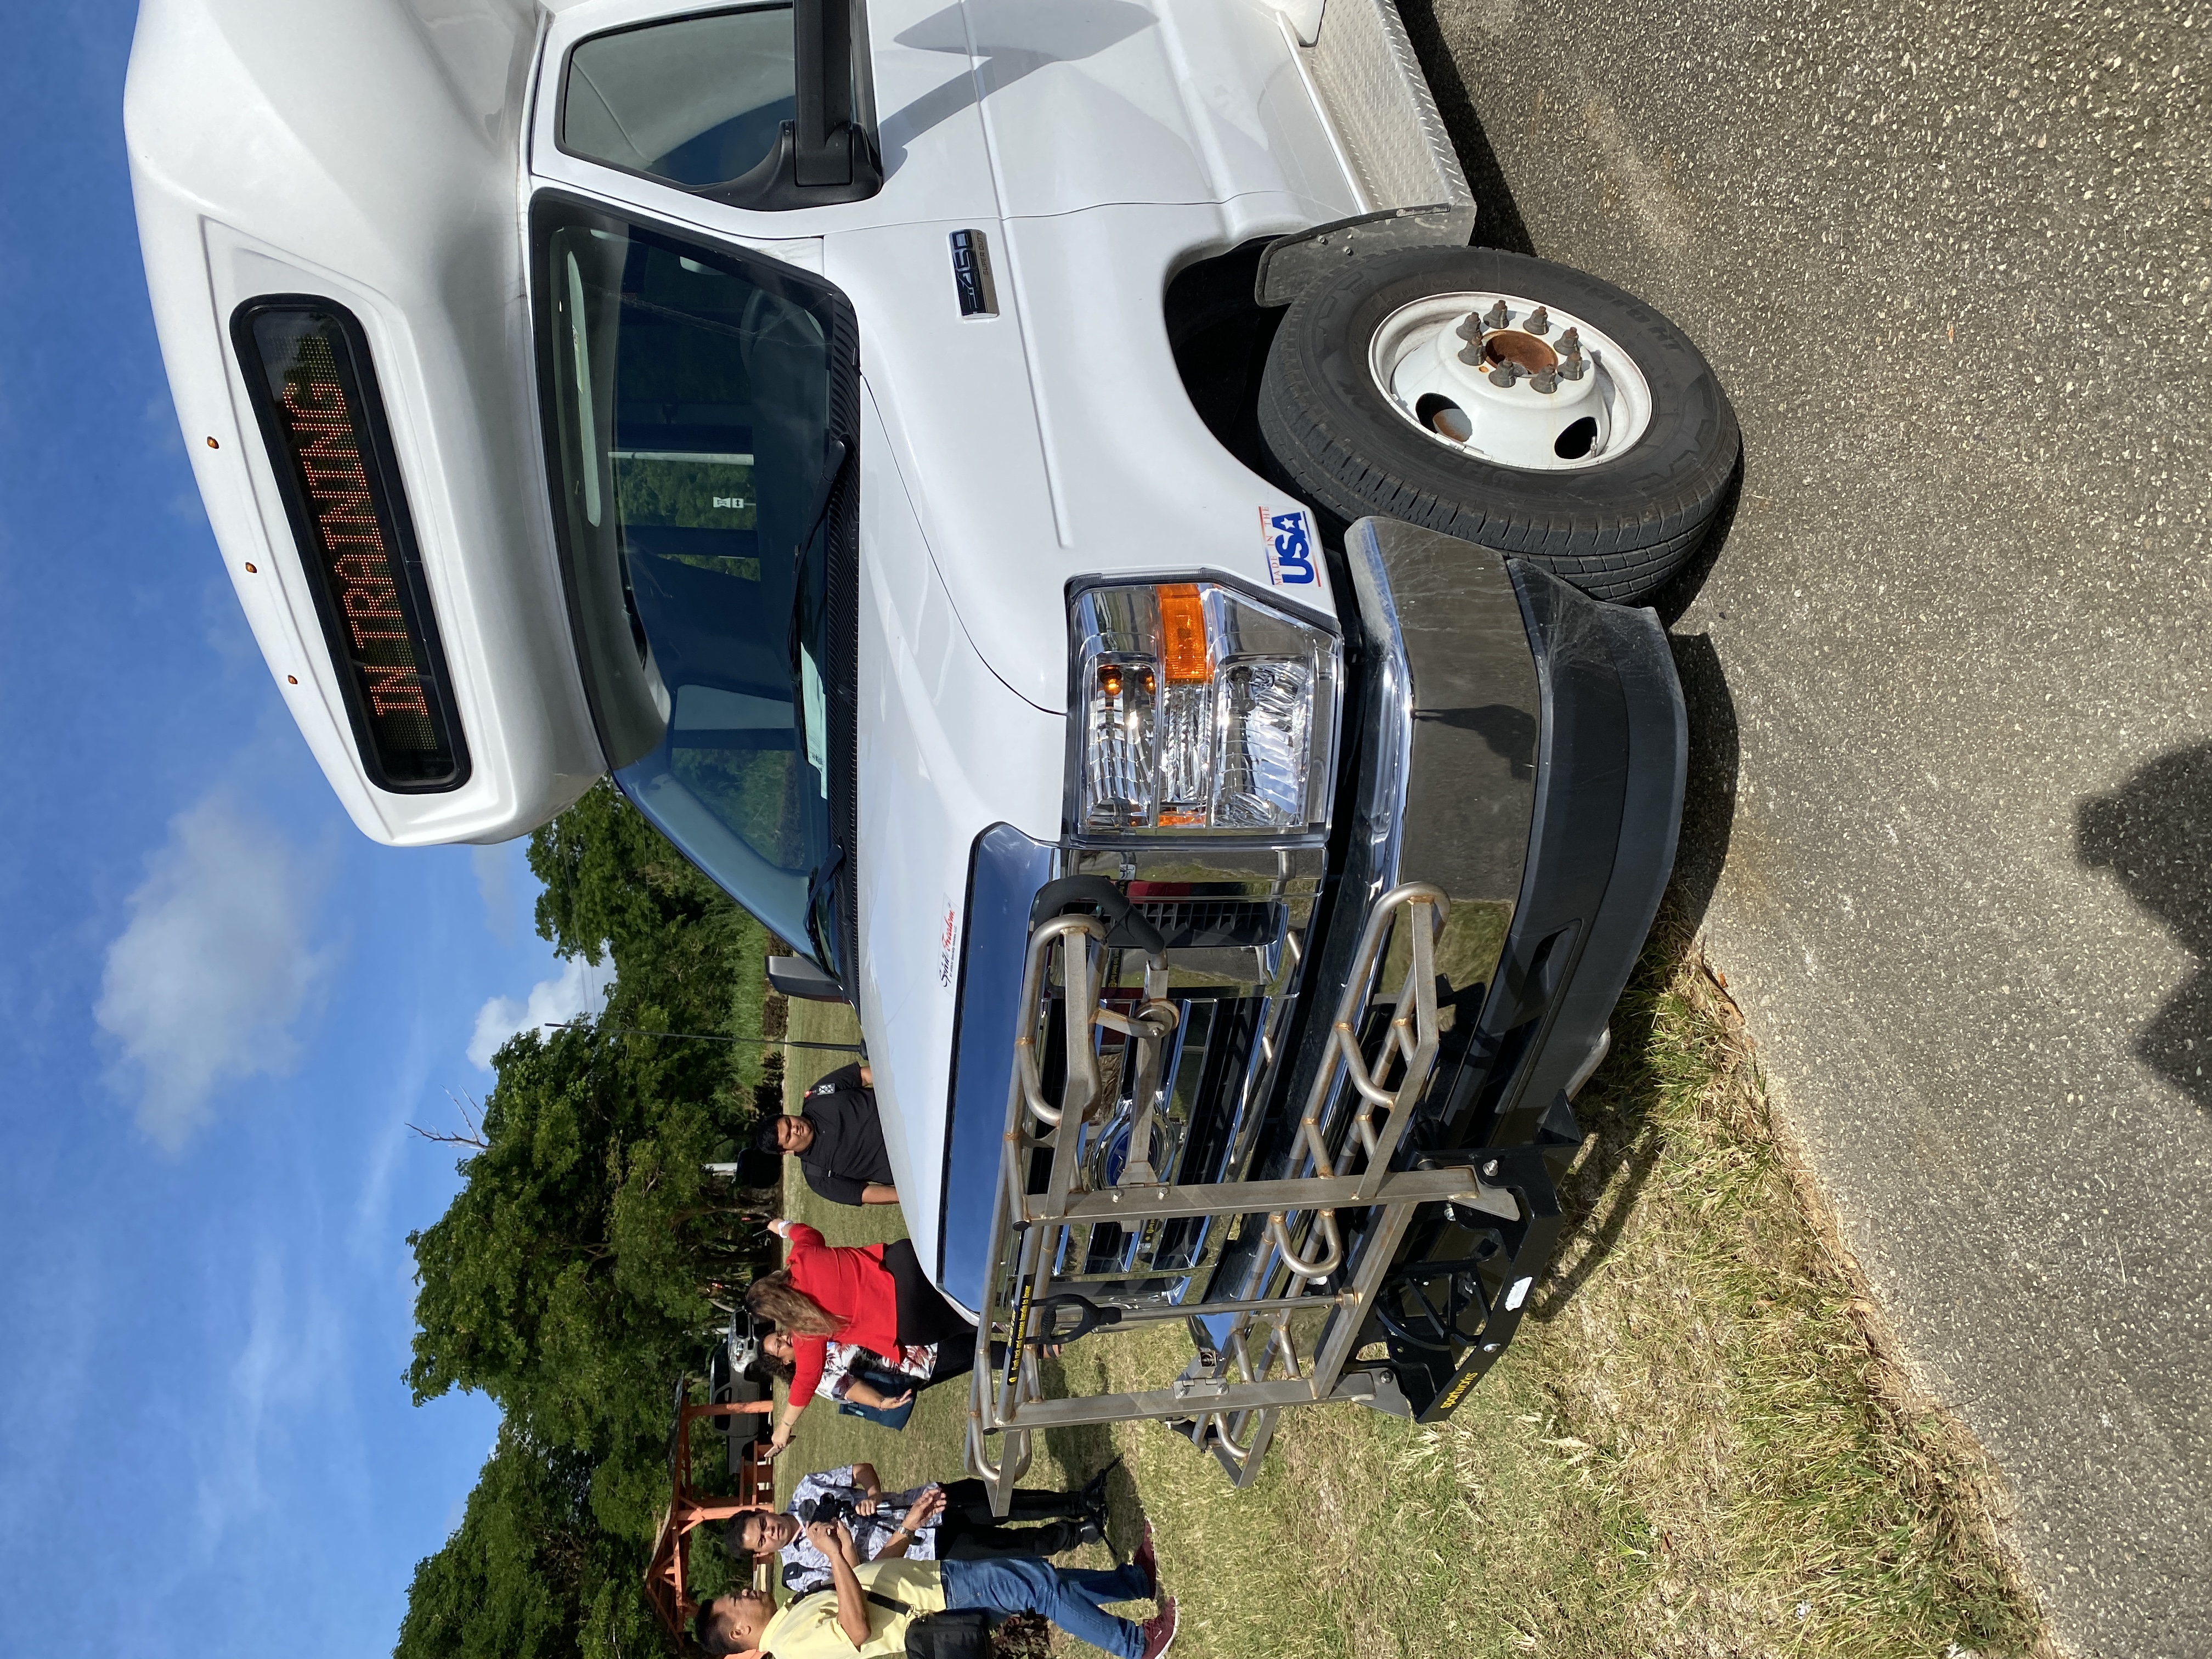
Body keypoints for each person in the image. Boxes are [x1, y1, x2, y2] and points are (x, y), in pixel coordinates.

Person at [695, 1517, 1176, 1659]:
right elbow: (856, 1630)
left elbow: (862, 1590)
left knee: (1036, 1577)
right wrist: (833, 1557)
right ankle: (1135, 1646)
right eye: (738, 1601)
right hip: (938, 1601)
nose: (747, 1594)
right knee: (1037, 1585)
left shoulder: (788, 1617)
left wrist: (847, 1550)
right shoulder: (790, 1645)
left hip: (934, 1584)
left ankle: (1133, 1581)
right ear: (738, 1632)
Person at [746, 1217, 976, 1458]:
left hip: (906, 1316)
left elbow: (806, 1379)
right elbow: (807, 1233)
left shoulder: (806, 1327)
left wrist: (784, 1426)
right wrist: (781, 1226)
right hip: (903, 1261)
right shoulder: (803, 1255)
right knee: (978, 1275)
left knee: (979, 1318)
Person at [726, 1459, 1113, 1595]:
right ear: (762, 1554)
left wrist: (873, 1494)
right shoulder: (798, 1573)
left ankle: (1079, 1501)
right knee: (1011, 1546)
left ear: (762, 1511)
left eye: (762, 1524)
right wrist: (840, 1545)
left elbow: (861, 1470)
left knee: (1006, 1503)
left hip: (924, 1503)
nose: (770, 1533)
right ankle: (1077, 1534)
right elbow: (856, 1583)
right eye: (761, 1541)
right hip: (923, 1551)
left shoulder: (806, 1491)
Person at [757, 1062, 897, 1207]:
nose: (795, 1129)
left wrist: (898, 1075)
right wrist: (905, 1196)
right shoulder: (818, 1177)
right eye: (789, 1137)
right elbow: (863, 1193)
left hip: (902, 1104)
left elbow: (863, 1076)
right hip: (906, 1158)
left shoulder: (818, 1093)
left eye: (789, 1122)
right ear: (786, 1151)